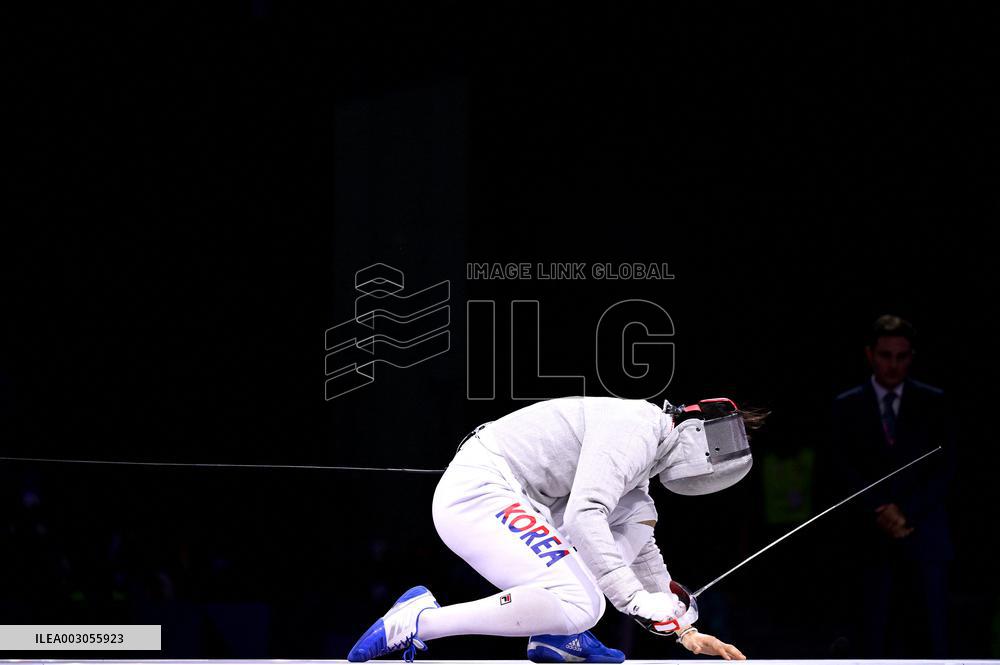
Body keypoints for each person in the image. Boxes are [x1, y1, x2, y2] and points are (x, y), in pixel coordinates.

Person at [347, 396, 756, 662]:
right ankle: (419, 621)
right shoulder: (638, 427)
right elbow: (583, 516)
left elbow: (640, 547)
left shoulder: (642, 459)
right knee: (583, 602)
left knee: (637, 515)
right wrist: (633, 600)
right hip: (479, 493)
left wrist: (683, 629)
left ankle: (558, 634)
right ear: (697, 430)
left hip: (515, 501)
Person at [828, 315, 954, 658]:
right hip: (868, 541)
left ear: (911, 356)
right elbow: (841, 469)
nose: (893, 365)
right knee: (871, 640)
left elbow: (945, 468)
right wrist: (880, 509)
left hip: (924, 536)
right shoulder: (846, 405)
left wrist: (906, 512)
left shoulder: (934, 402)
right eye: (886, 355)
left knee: (931, 638)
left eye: (901, 356)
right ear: (870, 354)